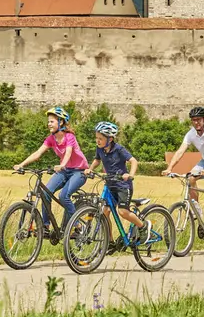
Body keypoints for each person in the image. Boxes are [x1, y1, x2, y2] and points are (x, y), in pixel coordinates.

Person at [13, 106, 88, 239]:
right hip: (64, 171)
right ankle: (45, 227)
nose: (49, 124)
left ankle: (78, 225)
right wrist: (21, 164)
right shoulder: (51, 139)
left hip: (79, 171)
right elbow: (38, 153)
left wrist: (62, 165)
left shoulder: (69, 137)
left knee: (64, 196)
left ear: (61, 122)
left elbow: (68, 152)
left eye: (52, 121)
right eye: (48, 121)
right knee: (46, 193)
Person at [163, 106, 204, 247]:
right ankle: (197, 210)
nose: (196, 123)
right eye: (193, 120)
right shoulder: (191, 134)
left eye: (198, 120)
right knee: (190, 178)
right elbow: (181, 151)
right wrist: (169, 168)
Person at [88, 121, 152, 252]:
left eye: (100, 138)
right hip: (110, 184)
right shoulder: (100, 149)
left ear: (110, 139)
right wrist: (90, 169)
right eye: (96, 138)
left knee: (122, 211)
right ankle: (110, 242)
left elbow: (133, 161)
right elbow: (97, 160)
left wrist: (130, 174)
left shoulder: (119, 149)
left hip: (123, 185)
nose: (97, 141)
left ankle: (143, 226)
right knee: (104, 213)